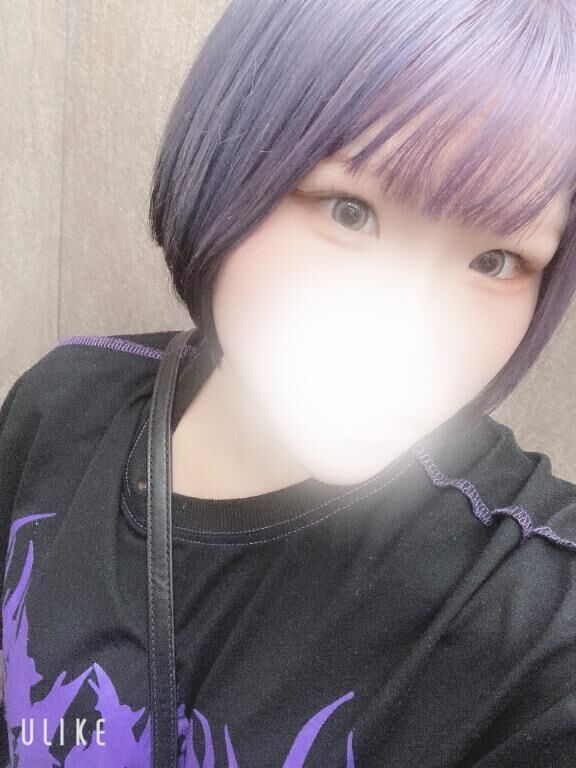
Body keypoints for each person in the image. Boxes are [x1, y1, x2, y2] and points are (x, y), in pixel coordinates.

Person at [2, 0, 576, 765]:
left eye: (494, 261)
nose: (412, 334)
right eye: (350, 211)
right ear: (225, 163)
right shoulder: (63, 403)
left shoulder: (529, 612)